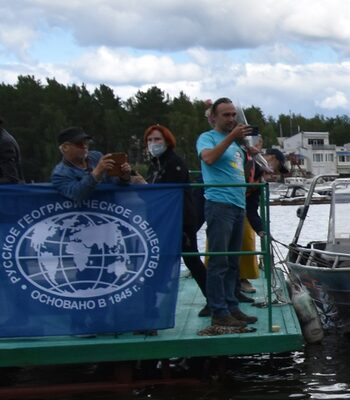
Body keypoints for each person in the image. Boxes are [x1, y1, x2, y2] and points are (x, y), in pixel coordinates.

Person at [196, 98, 257, 330]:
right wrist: (232, 138)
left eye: (234, 115)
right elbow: (209, 159)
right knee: (219, 261)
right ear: (214, 117)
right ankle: (218, 311)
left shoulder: (236, 144)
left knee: (233, 262)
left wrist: (246, 145)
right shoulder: (207, 138)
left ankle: (231, 307)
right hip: (219, 205)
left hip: (237, 204)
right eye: (226, 115)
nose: (231, 119)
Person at [143, 124, 207, 296]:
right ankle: (152, 302)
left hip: (181, 219)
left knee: (191, 260)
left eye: (157, 139)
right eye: (150, 140)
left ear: (167, 141)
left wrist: (144, 186)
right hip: (164, 219)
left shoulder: (174, 162)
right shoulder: (155, 163)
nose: (153, 143)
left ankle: (214, 301)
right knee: (162, 260)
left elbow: (169, 192)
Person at [50, 127, 146, 203]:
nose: (85, 146)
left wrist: (124, 177)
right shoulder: (59, 174)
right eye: (80, 144)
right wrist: (97, 172)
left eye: (86, 142)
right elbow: (77, 195)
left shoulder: (96, 156)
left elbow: (115, 183)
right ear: (66, 147)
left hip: (110, 212)